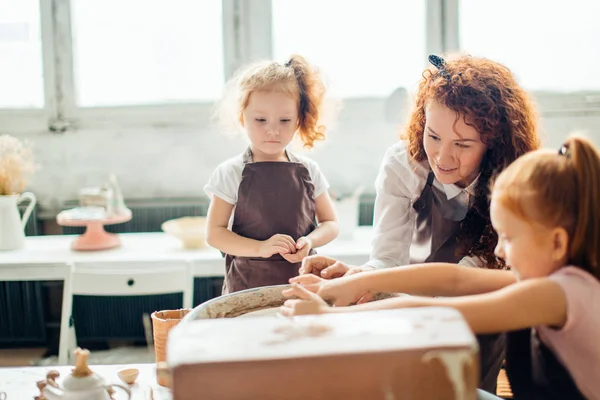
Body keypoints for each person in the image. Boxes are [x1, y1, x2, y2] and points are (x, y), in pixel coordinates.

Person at [283, 135, 600, 400]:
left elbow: (443, 313)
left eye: (509, 237)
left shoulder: (560, 293)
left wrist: (332, 318)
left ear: (557, 243)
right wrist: (355, 281)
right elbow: (455, 279)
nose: (500, 250)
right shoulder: (550, 282)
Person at [298, 54, 541, 392]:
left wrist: (368, 292)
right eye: (433, 135)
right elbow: (389, 258)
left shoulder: (513, 180)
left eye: (463, 144)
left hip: (480, 308)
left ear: (494, 143)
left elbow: (463, 281)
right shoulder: (403, 164)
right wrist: (359, 276)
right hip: (412, 301)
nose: (442, 157)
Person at [204, 55, 339, 294]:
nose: (273, 130)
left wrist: (310, 241)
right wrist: (261, 248)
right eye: (260, 120)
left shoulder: (309, 170)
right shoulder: (230, 173)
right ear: (241, 118)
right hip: (246, 290)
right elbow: (215, 234)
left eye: (285, 120)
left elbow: (330, 223)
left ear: (299, 120)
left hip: (303, 286)